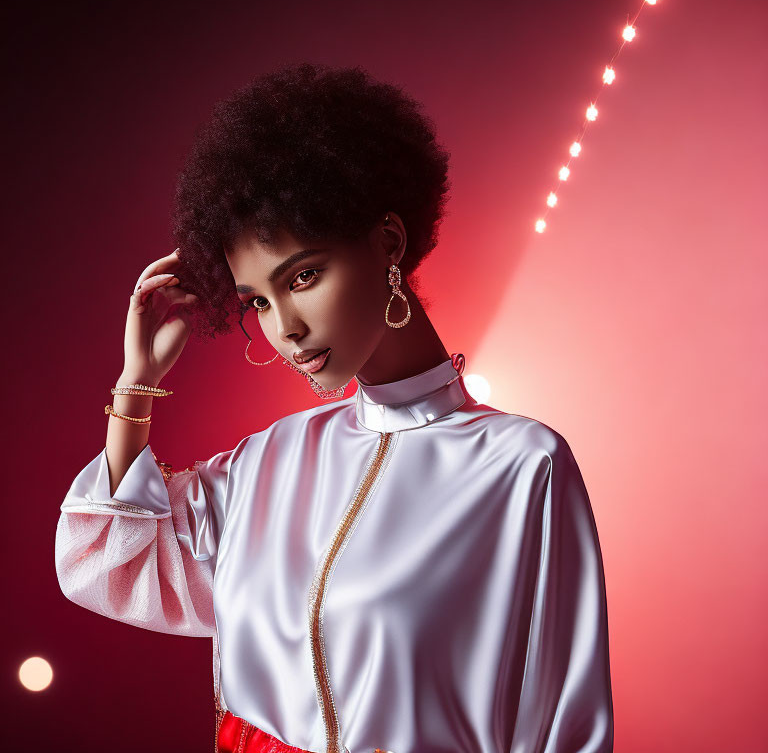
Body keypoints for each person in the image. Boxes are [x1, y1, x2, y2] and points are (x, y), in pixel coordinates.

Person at [54, 62, 613, 753]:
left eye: (304, 276)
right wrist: (136, 384)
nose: (284, 326)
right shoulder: (268, 460)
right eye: (258, 300)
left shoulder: (524, 466)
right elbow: (108, 563)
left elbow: (561, 722)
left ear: (387, 243)